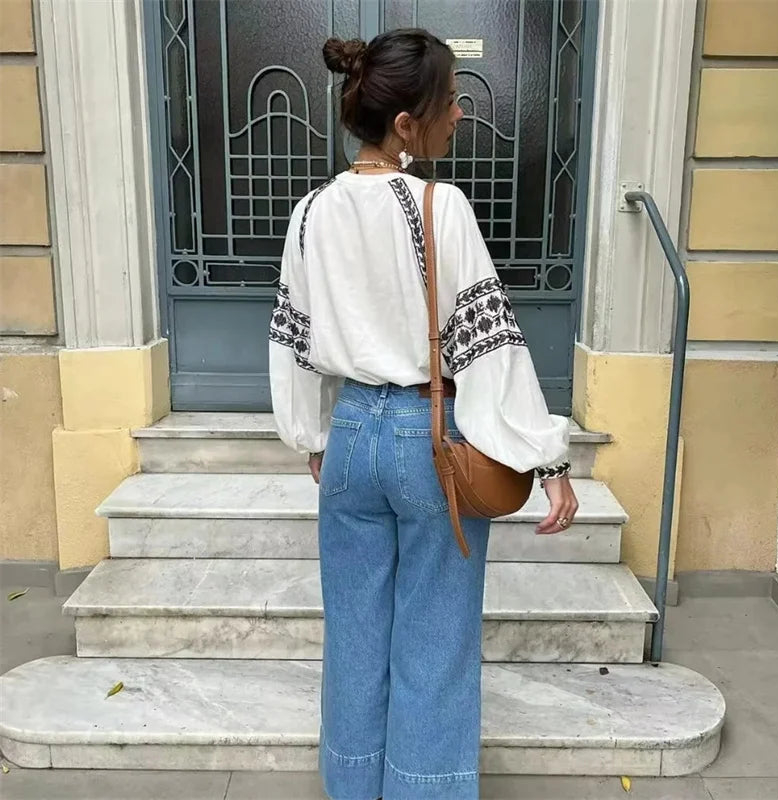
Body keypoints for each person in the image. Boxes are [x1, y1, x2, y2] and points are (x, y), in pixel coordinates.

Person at [269, 28, 579, 800]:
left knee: (356, 633)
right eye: (449, 102)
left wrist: (313, 436)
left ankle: (352, 786)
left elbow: (292, 339)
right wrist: (548, 458)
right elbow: (487, 345)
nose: (460, 115)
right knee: (435, 640)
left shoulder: (309, 213)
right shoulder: (440, 207)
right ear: (406, 124)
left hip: (349, 442)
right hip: (427, 437)